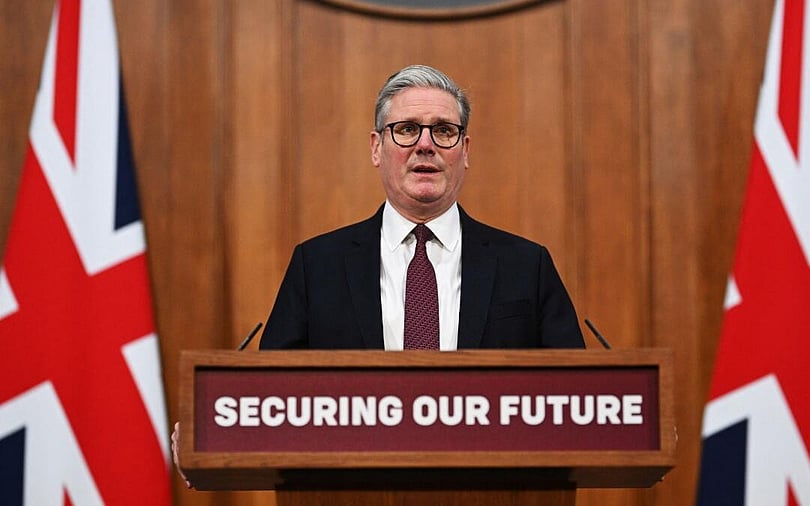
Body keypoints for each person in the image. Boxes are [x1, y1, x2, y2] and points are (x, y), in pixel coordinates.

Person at [171, 64, 584, 488]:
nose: (425, 145)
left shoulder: (525, 265)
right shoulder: (318, 266)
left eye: (444, 130)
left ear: (466, 149)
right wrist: (217, 421)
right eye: (406, 129)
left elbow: (578, 402)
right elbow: (275, 399)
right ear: (376, 147)